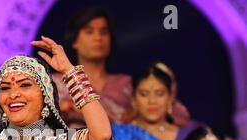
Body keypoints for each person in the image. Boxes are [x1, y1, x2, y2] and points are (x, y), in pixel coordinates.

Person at [53, 6, 190, 127]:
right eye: (89, 32)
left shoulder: (127, 85)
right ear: (74, 41)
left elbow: (181, 117)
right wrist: (65, 109)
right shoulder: (56, 84)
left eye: (104, 32)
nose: (98, 38)